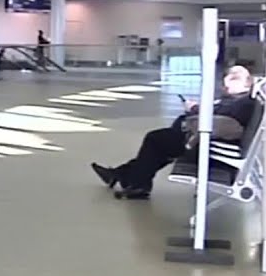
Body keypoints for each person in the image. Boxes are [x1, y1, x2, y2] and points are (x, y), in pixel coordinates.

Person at [91, 65, 256, 200]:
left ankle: (134, 182)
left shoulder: (241, 103)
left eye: (229, 85)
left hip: (207, 142)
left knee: (155, 140)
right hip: (208, 139)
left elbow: (220, 121)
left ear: (244, 83)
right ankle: (124, 177)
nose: (225, 89)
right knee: (160, 147)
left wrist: (193, 110)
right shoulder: (240, 100)